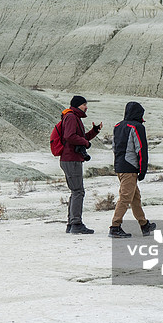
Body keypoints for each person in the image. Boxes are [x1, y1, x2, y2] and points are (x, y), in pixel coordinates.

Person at [109, 101, 156, 238]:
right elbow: (141, 149)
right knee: (125, 197)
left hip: (119, 166)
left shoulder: (118, 126)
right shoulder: (137, 127)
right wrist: (142, 170)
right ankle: (115, 226)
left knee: (135, 198)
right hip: (130, 168)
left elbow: (114, 147)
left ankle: (144, 224)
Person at [59, 95, 102, 234]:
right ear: (78, 105)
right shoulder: (72, 117)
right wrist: (85, 143)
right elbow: (70, 137)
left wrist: (94, 132)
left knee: (75, 191)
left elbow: (80, 137)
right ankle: (76, 224)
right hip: (71, 159)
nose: (86, 107)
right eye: (84, 104)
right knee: (78, 191)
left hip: (70, 158)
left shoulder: (73, 117)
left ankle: (71, 223)